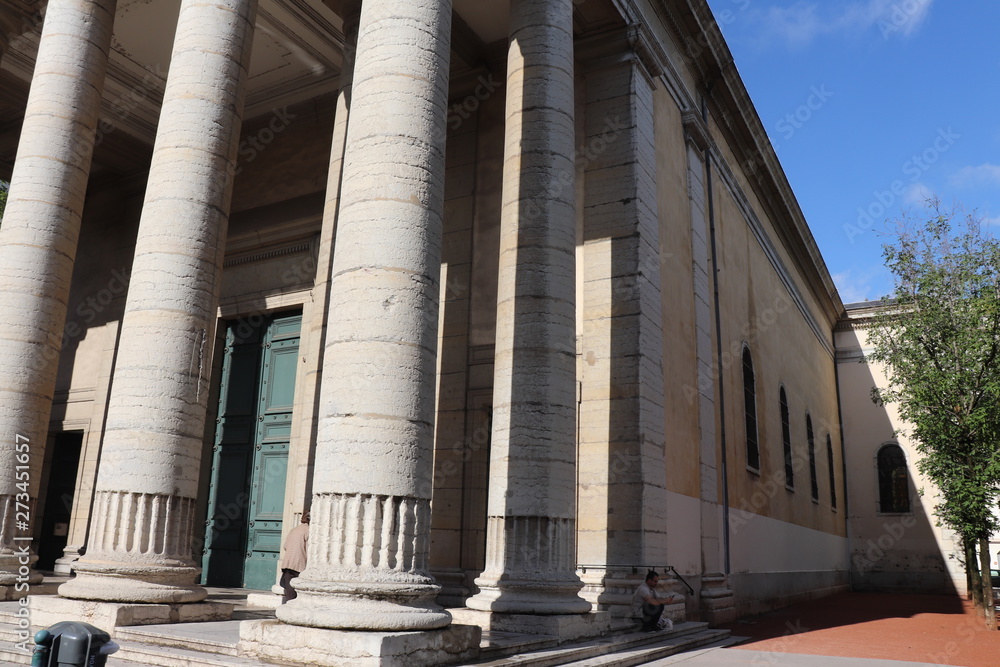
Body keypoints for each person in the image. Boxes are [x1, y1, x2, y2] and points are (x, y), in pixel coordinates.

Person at [279, 510, 309, 603]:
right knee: (298, 593)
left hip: (288, 563)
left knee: (289, 592)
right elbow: (310, 550)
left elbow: (285, 546)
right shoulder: (309, 531)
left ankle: (288, 610)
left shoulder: (294, 529)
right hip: (300, 565)